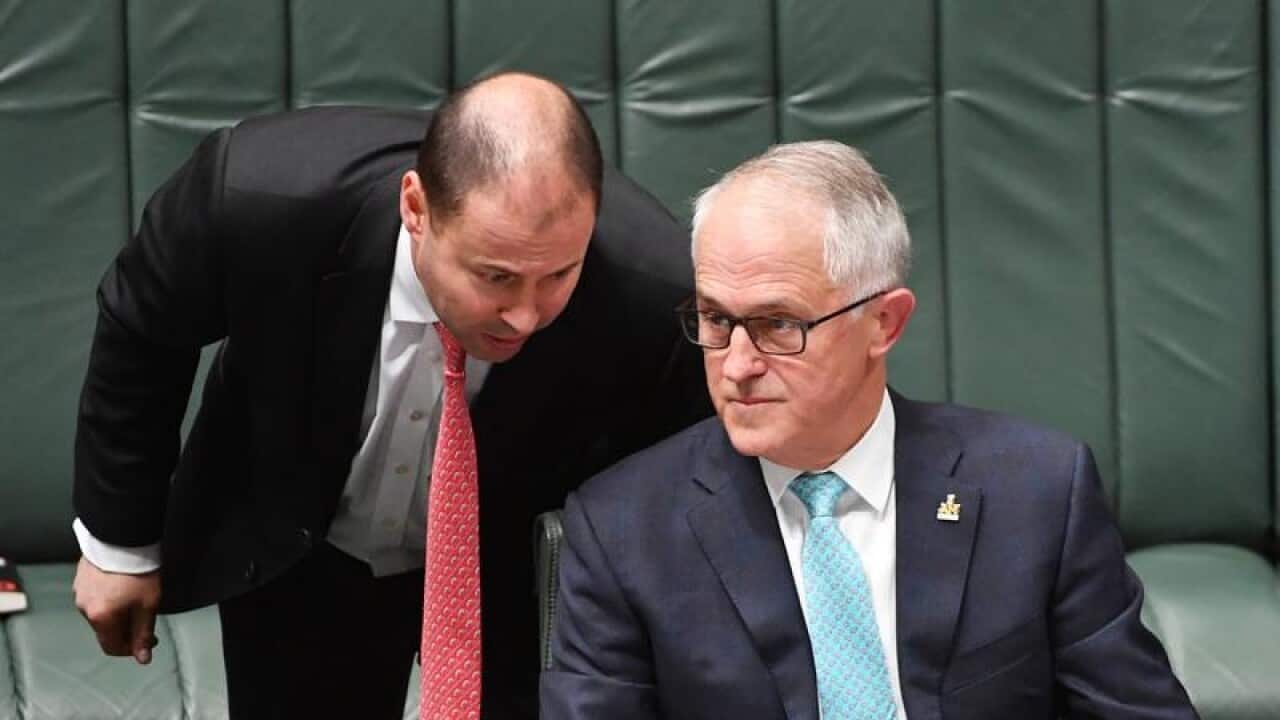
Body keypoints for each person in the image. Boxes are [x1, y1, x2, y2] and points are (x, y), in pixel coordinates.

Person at [71, 72, 710, 719]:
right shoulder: (255, 196)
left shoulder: (654, 292)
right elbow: (142, 331)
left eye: (558, 275)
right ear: (417, 208)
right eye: (495, 276)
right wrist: (119, 545)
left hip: (512, 571)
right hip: (301, 545)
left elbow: (681, 483)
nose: (524, 314)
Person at [541, 141, 1198, 719]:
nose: (737, 366)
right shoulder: (622, 529)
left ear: (883, 323)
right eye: (716, 321)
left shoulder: (1038, 493)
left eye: (778, 326)